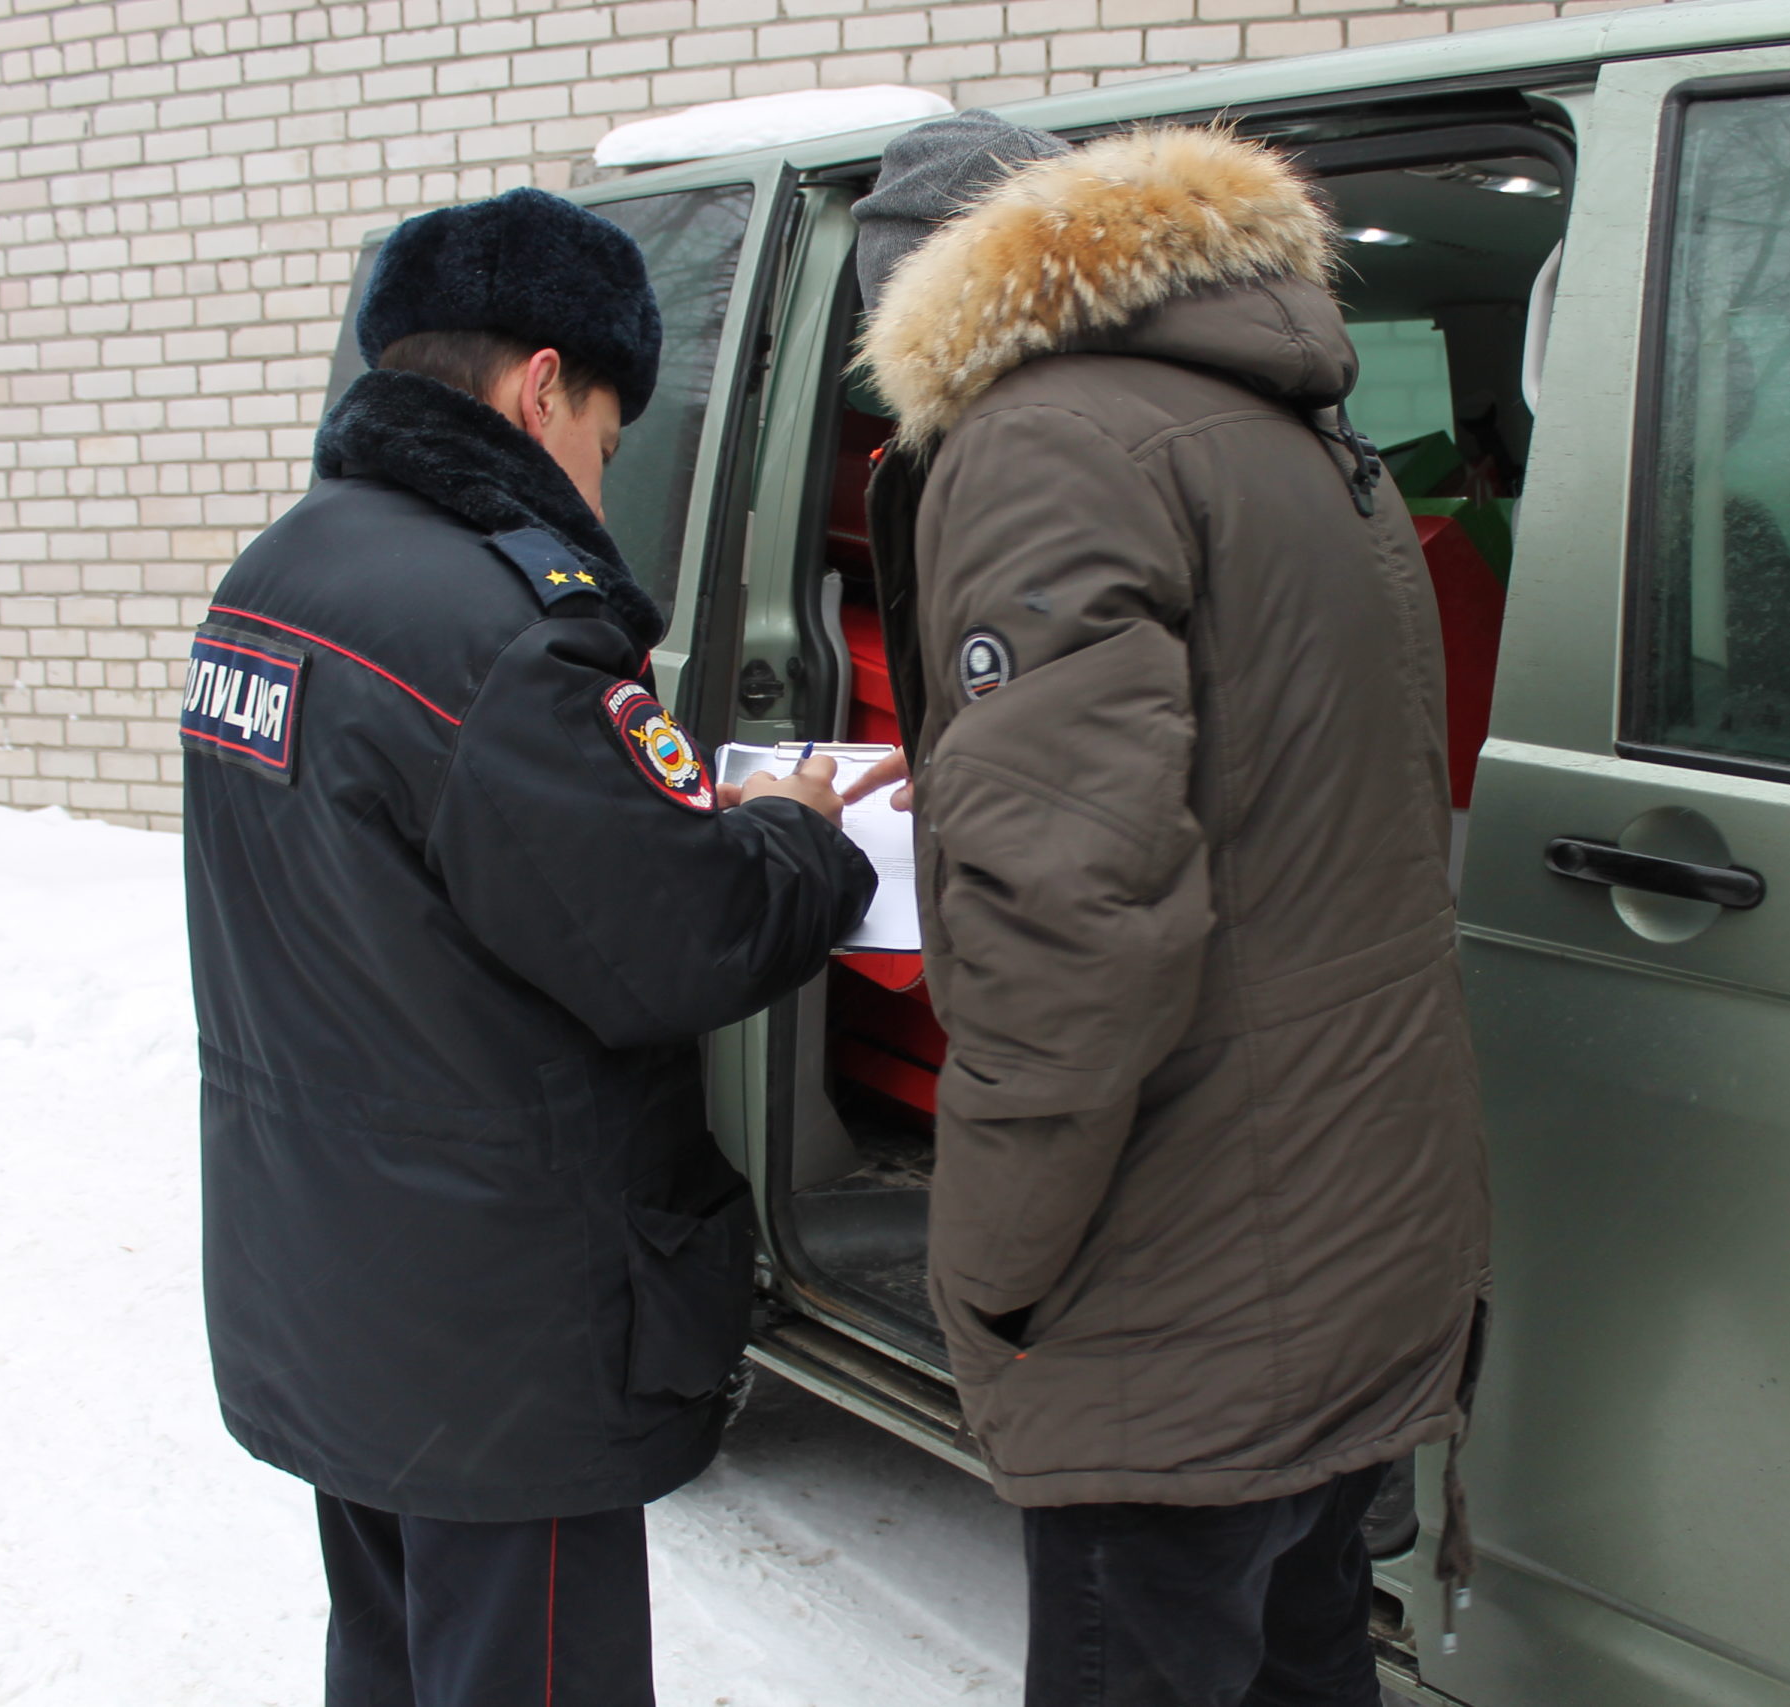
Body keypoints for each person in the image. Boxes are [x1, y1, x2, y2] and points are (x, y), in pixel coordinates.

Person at [181, 186, 876, 1707]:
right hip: (500, 1333)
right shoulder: (504, 630)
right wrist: (805, 831)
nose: (603, 489)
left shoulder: (279, 575)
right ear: (540, 384)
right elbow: (684, 939)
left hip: (342, 1274)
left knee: (395, 1656)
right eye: (609, 445)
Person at [850, 115, 1494, 1706]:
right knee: (1306, 1656)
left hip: (1178, 1263)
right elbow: (1302, 797)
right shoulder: (1292, 427)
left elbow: (1074, 924)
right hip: (1355, 1212)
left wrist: (991, 1266)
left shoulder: (1037, 443)